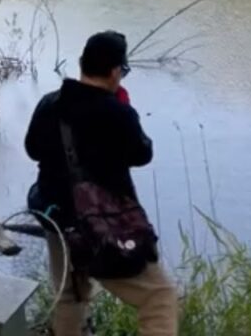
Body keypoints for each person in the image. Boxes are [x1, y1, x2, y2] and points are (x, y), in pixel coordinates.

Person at [25, 30, 177, 336]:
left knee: (70, 295)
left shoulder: (49, 103)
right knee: (159, 297)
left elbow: (32, 149)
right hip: (100, 225)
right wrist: (125, 109)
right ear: (115, 71)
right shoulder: (117, 113)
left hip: (56, 217)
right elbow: (142, 154)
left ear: (82, 64)